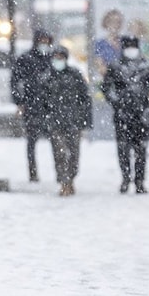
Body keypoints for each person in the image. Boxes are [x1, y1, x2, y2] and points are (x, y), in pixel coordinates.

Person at [101, 35, 149, 194]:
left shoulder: (148, 65)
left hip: (142, 114)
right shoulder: (115, 66)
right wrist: (116, 102)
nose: (131, 49)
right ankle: (126, 178)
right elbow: (106, 88)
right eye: (128, 46)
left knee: (141, 150)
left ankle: (140, 181)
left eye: (133, 46)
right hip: (122, 115)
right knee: (123, 149)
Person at [45, 46, 93, 196]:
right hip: (55, 122)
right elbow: (42, 101)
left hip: (73, 121)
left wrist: (85, 120)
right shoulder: (48, 76)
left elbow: (85, 98)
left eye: (61, 57)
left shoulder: (75, 75)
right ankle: (63, 181)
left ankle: (70, 179)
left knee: (73, 153)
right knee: (59, 153)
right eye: (56, 57)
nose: (58, 60)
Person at [10, 28, 53, 182]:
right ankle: (33, 171)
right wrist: (20, 102)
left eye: (47, 42)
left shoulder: (52, 59)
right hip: (32, 106)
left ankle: (60, 172)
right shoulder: (25, 59)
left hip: (50, 107)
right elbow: (16, 82)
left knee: (56, 140)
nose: (44, 45)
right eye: (42, 41)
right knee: (32, 140)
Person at [94, 9, 124, 78]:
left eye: (118, 22)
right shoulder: (100, 44)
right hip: (109, 80)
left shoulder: (125, 42)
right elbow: (101, 67)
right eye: (113, 22)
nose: (116, 25)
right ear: (106, 23)